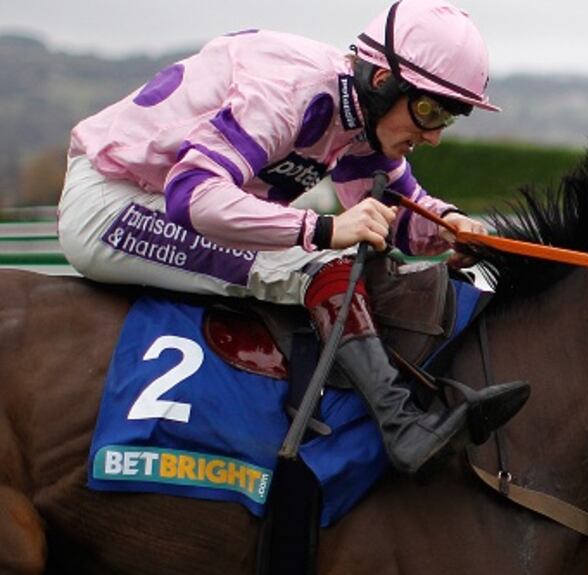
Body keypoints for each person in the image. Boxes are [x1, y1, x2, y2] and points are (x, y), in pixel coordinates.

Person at [57, 0, 529, 475]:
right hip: (112, 204)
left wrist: (452, 228)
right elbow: (194, 195)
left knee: (339, 259)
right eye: (428, 111)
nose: (433, 136)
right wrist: (321, 228)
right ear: (383, 82)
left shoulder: (358, 116)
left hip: (160, 197)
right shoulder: (292, 90)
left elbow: (401, 212)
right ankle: (401, 426)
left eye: (447, 117)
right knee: (317, 264)